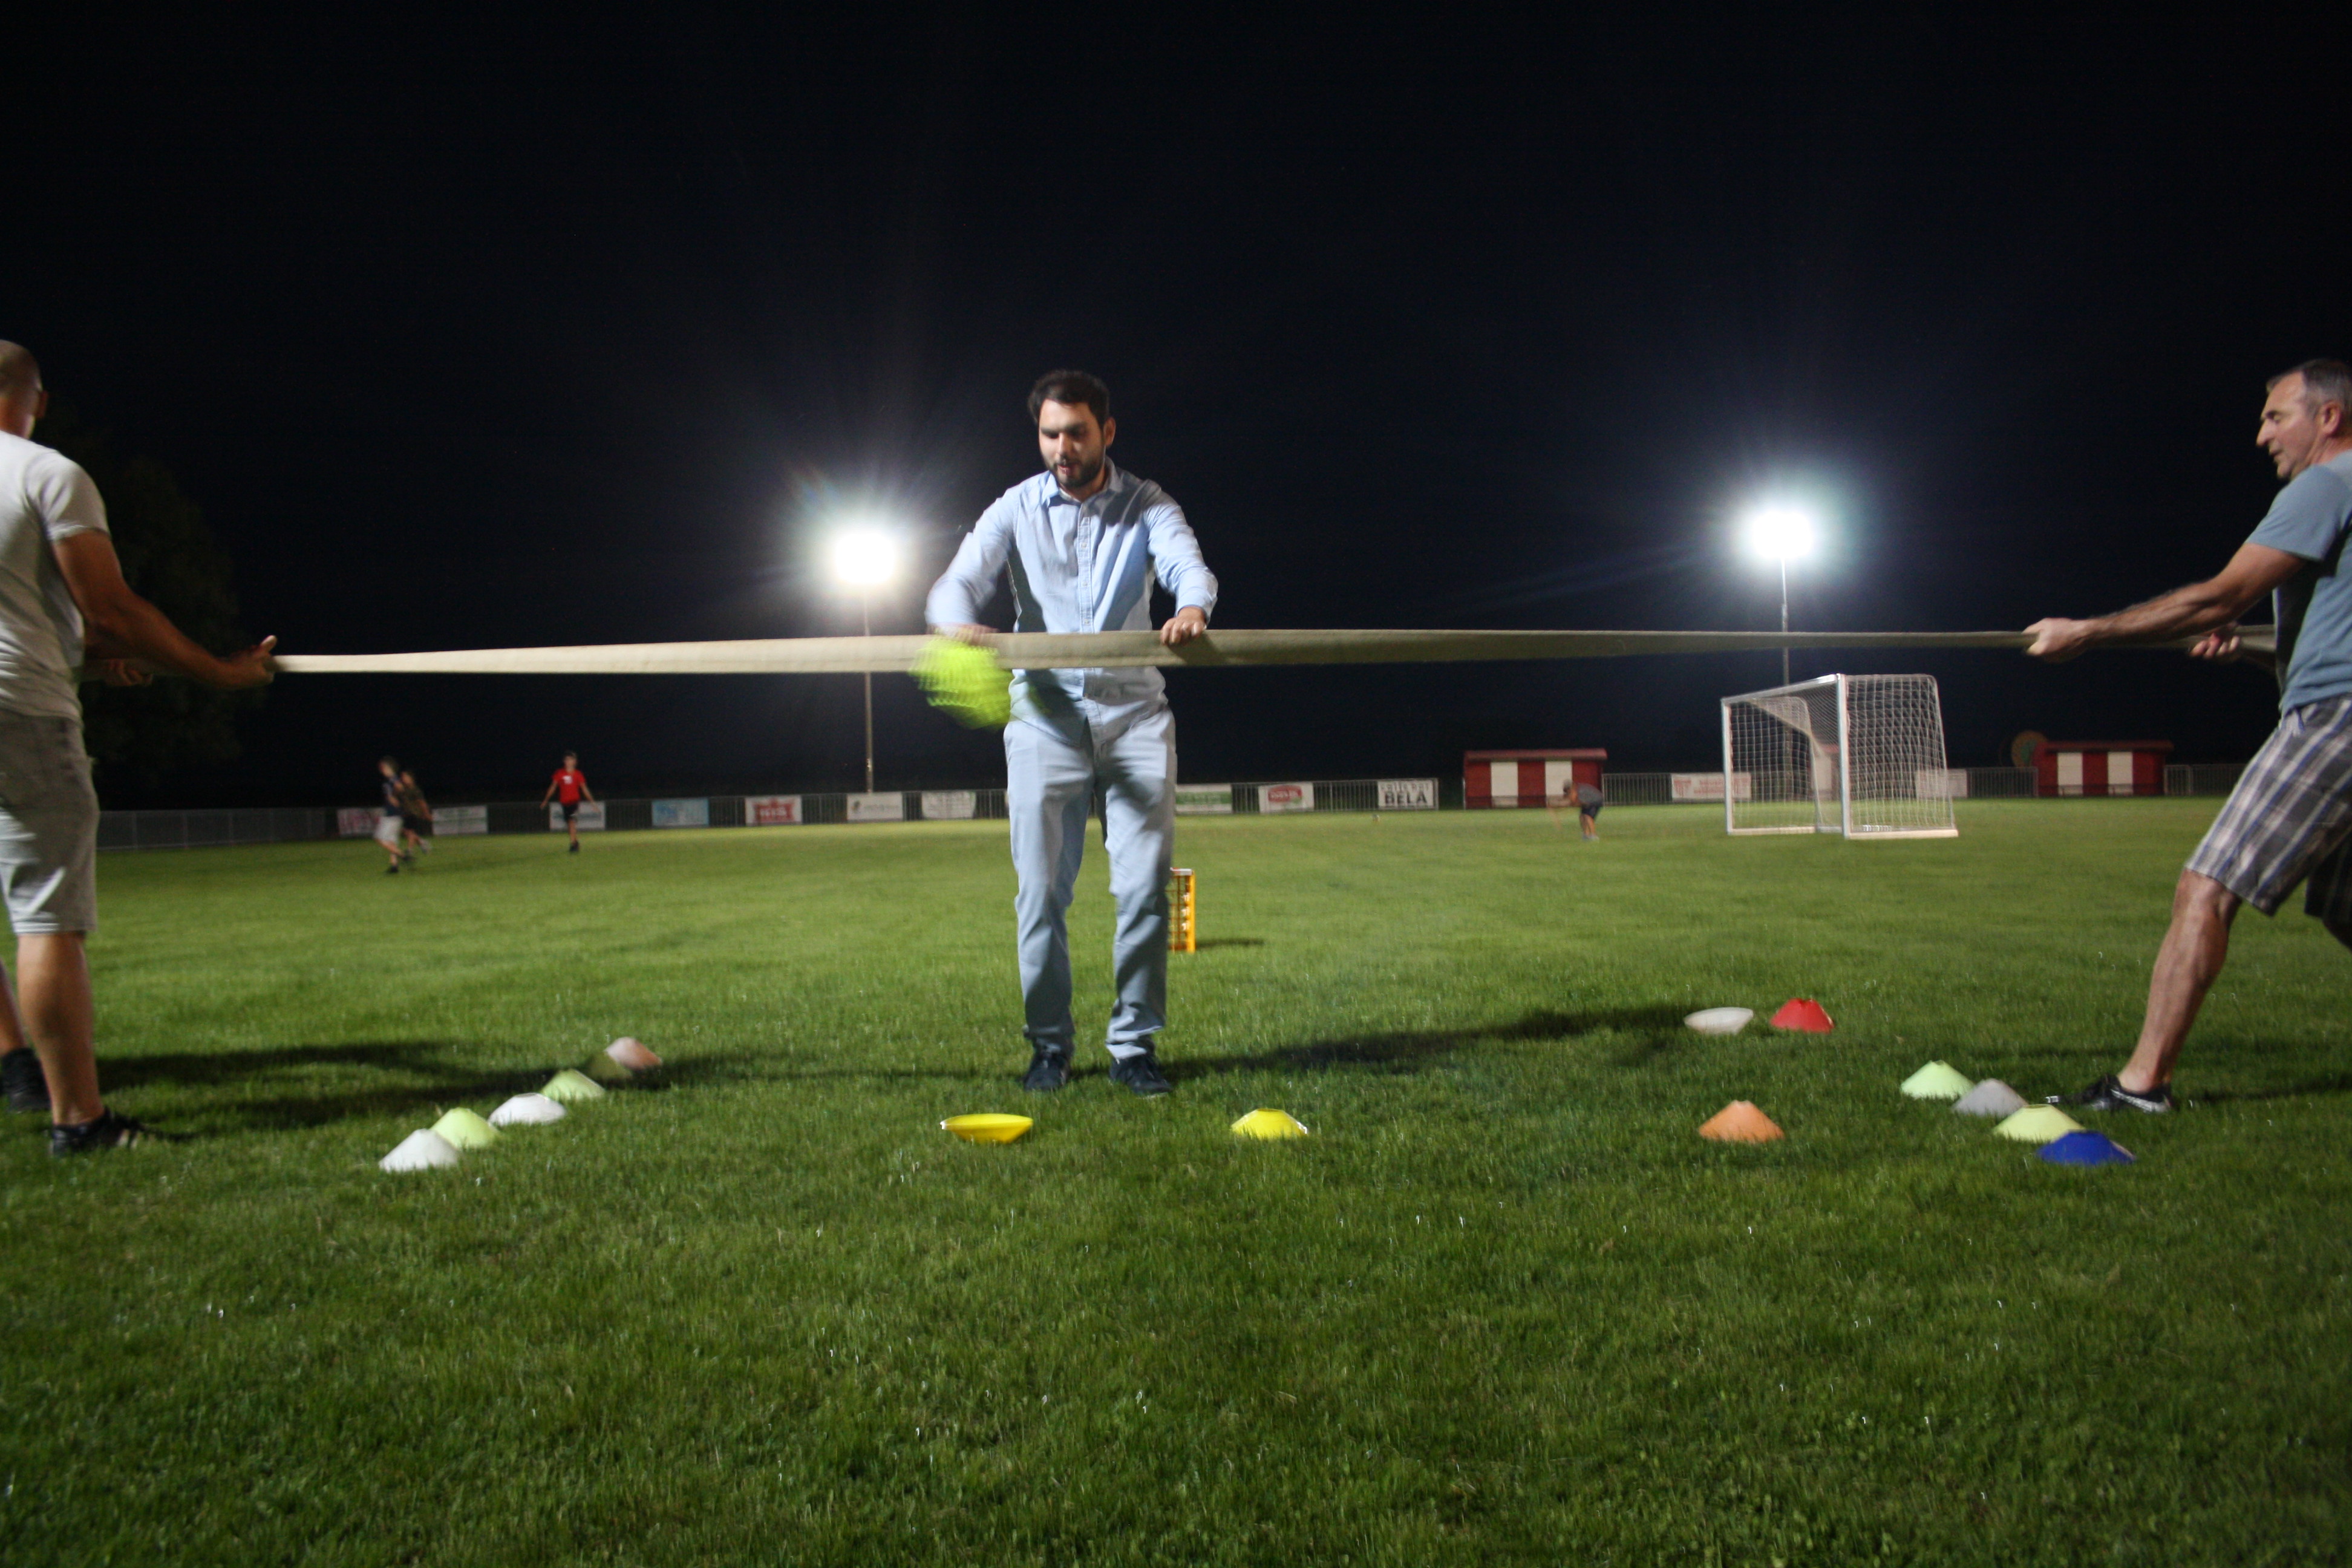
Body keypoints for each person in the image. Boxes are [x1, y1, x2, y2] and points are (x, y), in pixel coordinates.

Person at [2025, 358, 2352, 1113]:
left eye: (2277, 416)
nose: (2263, 433)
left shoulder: (2325, 485)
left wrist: (2090, 631)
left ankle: (2143, 1086)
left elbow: (2219, 594)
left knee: (2205, 888)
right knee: (2343, 910)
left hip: (2336, 716)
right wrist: (2255, 645)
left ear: (2327, 419)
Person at [0, 342, 275, 1152]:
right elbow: (114, 611)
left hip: (23, 688)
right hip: (20, 714)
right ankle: (78, 1121)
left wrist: (78, 657)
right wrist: (223, 674)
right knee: (48, 917)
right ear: (38, 399)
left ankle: (16, 1069)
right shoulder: (45, 473)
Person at [927, 370, 1217, 1097]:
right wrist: (955, 620)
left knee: (1146, 889)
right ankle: (1049, 1048)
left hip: (1135, 720)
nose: (1063, 447)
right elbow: (955, 584)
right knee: (1039, 898)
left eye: (1077, 433)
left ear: (1107, 433)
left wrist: (1192, 609)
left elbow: (1188, 563)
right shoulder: (1014, 507)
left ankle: (1133, 1048)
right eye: (1051, 434)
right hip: (1043, 722)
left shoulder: (1148, 504)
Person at [540, 751, 593, 852]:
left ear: (575, 762)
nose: (569, 762)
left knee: (572, 821)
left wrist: (591, 802)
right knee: (569, 824)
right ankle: (575, 841)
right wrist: (546, 800)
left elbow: (584, 788)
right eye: (567, 760)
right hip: (565, 803)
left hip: (575, 803)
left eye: (571, 760)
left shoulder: (578, 774)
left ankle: (573, 845)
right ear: (564, 761)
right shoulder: (560, 773)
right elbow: (553, 787)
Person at [374, 756, 408, 872]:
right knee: (391, 841)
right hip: (397, 814)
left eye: (383, 767)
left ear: (389, 768)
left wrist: (394, 797)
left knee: (379, 839)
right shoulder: (390, 780)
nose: (382, 769)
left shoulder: (393, 779)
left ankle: (403, 855)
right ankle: (394, 866)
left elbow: (400, 787)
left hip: (392, 814)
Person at [397, 768, 433, 858]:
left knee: (411, 832)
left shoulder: (415, 790)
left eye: (405, 777)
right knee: (406, 832)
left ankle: (409, 850)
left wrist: (426, 814)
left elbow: (422, 803)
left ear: (411, 778)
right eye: (402, 777)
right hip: (407, 814)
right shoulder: (404, 789)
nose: (403, 778)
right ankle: (422, 842)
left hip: (415, 814)